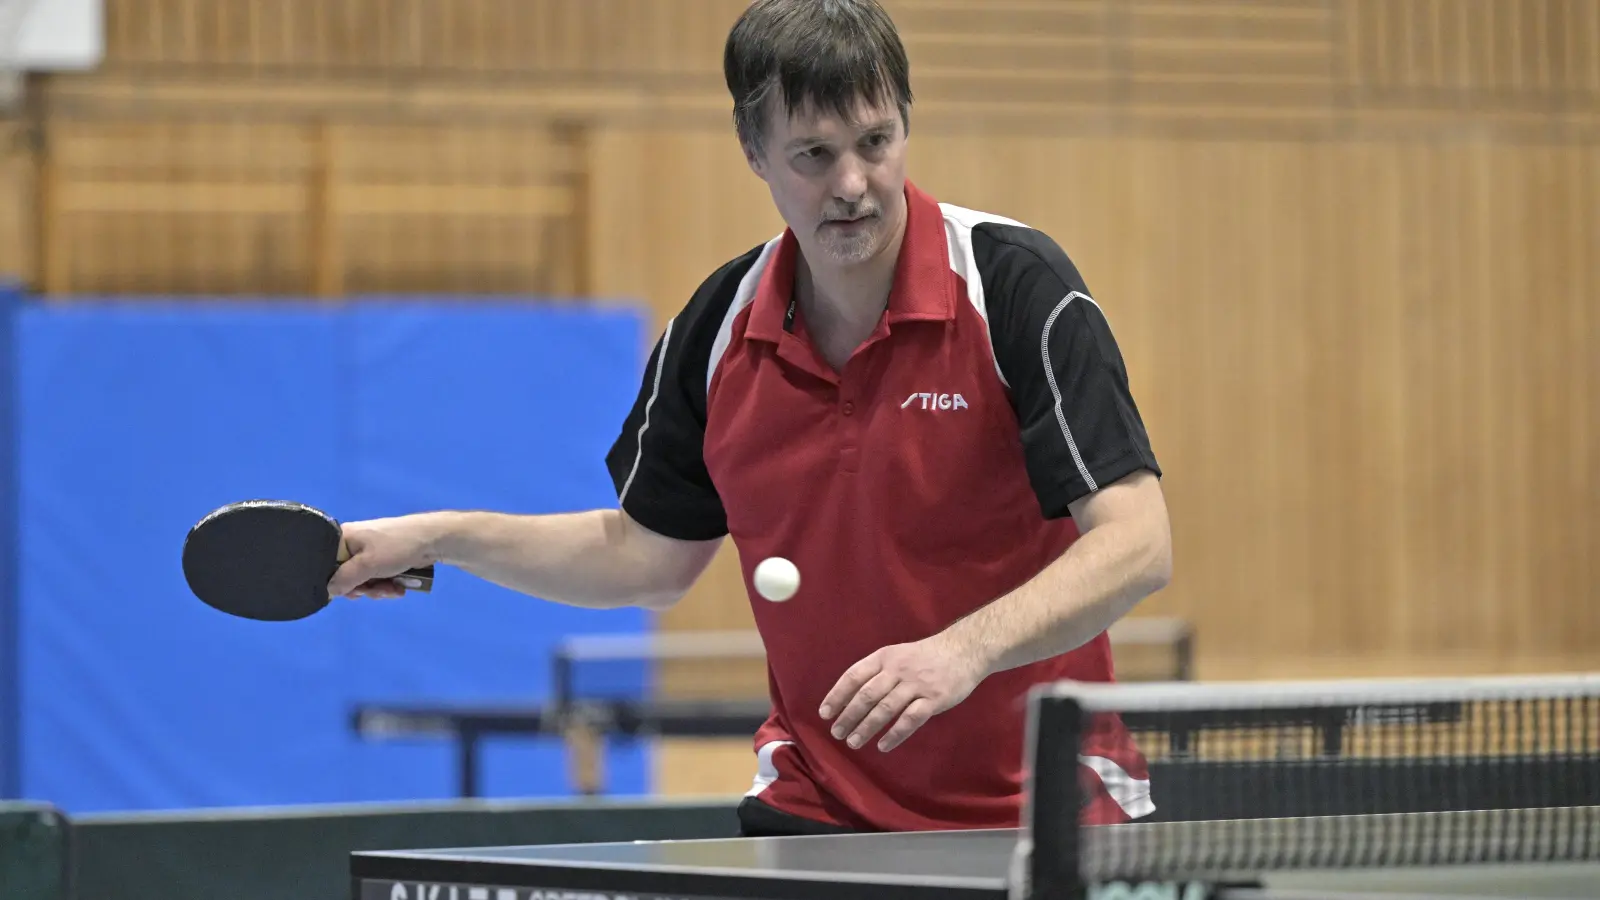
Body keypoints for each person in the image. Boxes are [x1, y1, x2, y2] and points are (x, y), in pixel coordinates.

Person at [328, 0, 1172, 837]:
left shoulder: (1015, 287)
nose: (853, 184)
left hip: (1048, 809)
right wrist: (441, 537)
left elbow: (1137, 543)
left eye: (875, 142)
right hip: (818, 805)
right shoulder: (716, 331)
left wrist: (962, 651)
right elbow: (646, 558)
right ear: (754, 152)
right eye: (814, 154)